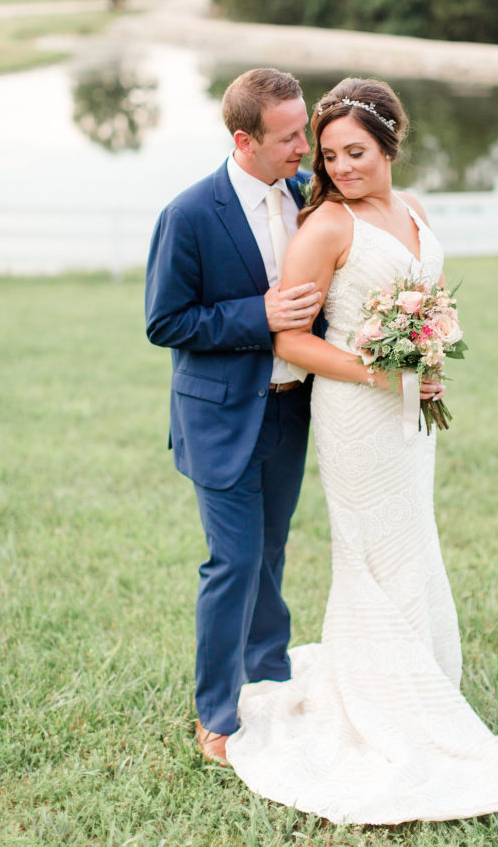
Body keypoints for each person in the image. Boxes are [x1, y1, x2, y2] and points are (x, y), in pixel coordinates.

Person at [225, 77, 498, 823]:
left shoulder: (413, 209)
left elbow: (425, 303)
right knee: (370, 548)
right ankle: (383, 704)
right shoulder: (325, 225)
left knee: (409, 541)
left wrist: (423, 367)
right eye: (327, 156)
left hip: (405, 413)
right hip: (356, 414)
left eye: (354, 151)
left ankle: (419, 678)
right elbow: (292, 337)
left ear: (391, 140)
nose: (340, 168)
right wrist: (381, 371)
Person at [144, 68, 322, 765]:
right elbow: (165, 321)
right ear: (244, 140)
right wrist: (260, 316)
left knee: (270, 554)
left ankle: (270, 676)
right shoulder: (188, 215)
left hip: (289, 412)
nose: (303, 146)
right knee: (234, 562)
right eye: (288, 136)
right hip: (219, 419)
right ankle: (215, 711)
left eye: (303, 129)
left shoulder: (305, 196)